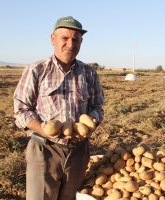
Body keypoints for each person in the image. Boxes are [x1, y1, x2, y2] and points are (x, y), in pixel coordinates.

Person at [13, 16, 104, 200]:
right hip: (45, 150)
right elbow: (21, 110)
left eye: (76, 39)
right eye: (65, 38)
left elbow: (97, 107)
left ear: (81, 42)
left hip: (78, 152)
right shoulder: (36, 69)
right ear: (53, 39)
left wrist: (91, 123)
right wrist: (44, 130)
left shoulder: (89, 73)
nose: (70, 44)